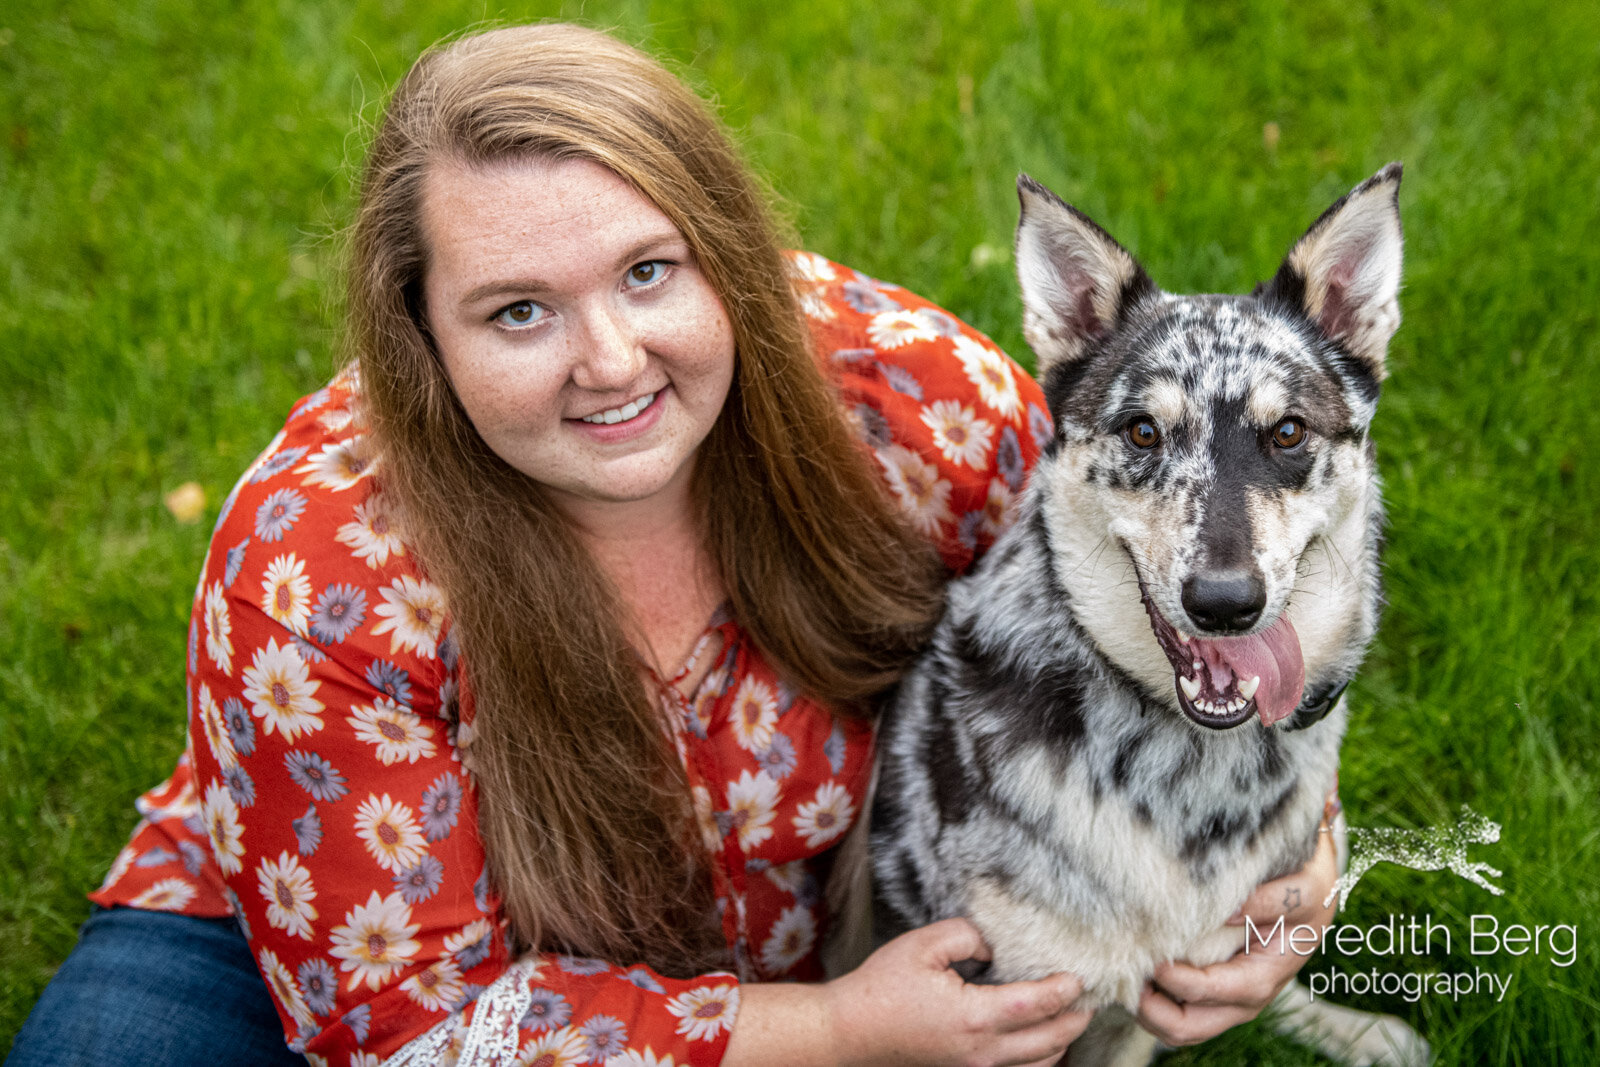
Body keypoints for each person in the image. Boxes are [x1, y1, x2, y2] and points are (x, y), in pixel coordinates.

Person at [9, 23, 1339, 1067]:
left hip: (827, 948)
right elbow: (413, 1037)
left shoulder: (913, 409)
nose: (608, 361)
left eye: (650, 273)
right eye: (518, 310)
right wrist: (836, 1039)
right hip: (310, 954)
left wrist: (1302, 875)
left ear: (732, 256)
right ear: (419, 333)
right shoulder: (313, 574)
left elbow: (1184, 617)